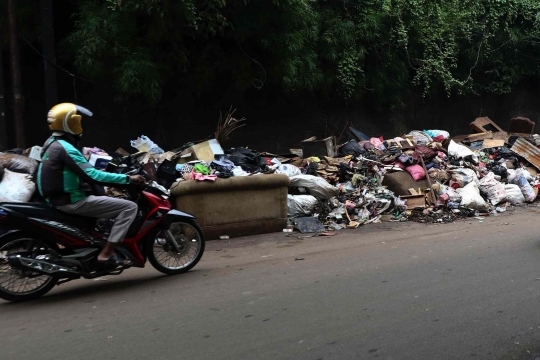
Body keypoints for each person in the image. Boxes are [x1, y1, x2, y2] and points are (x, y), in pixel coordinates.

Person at [37, 103, 145, 267]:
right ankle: (106, 254)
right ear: (70, 122)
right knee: (129, 207)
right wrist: (128, 179)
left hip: (54, 199)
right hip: (72, 201)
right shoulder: (66, 148)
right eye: (78, 120)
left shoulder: (51, 143)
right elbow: (93, 175)